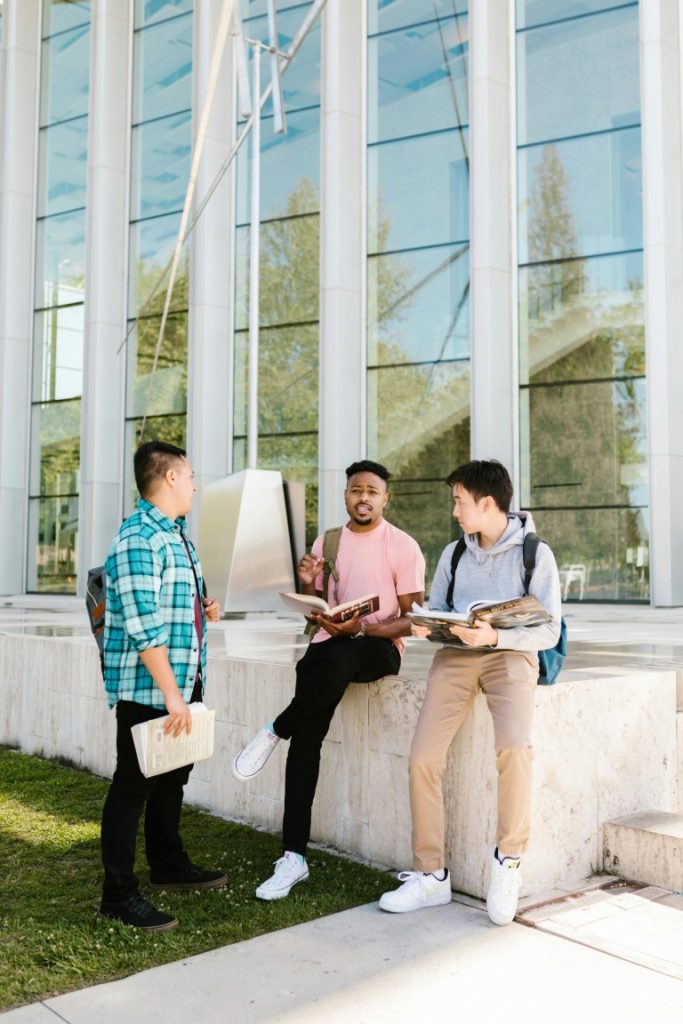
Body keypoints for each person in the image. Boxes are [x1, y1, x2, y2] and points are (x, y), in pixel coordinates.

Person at [232, 460, 426, 901]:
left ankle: (273, 729)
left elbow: (414, 620)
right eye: (356, 490)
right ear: (345, 495)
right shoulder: (330, 540)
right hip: (330, 642)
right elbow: (321, 602)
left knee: (336, 663)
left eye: (372, 491)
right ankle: (293, 858)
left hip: (378, 647)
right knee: (307, 740)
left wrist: (361, 629)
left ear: (384, 498)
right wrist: (307, 583)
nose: (364, 497)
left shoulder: (403, 546)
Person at [379, 460, 561, 925]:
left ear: (487, 503)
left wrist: (496, 639)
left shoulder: (536, 554)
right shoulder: (453, 554)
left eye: (459, 501)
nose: (455, 511)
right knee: (422, 757)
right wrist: (428, 623)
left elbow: (549, 631)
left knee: (516, 747)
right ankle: (431, 875)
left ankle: (508, 861)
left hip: (510, 656)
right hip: (457, 656)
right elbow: (436, 611)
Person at [99, 440, 227, 932]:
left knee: (173, 776)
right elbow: (140, 622)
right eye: (190, 474)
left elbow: (172, 606)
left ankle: (168, 867)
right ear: (169, 478)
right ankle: (118, 894)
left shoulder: (178, 537)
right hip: (149, 689)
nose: (195, 483)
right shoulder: (138, 538)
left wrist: (204, 607)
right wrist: (172, 694)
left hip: (182, 682)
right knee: (132, 786)